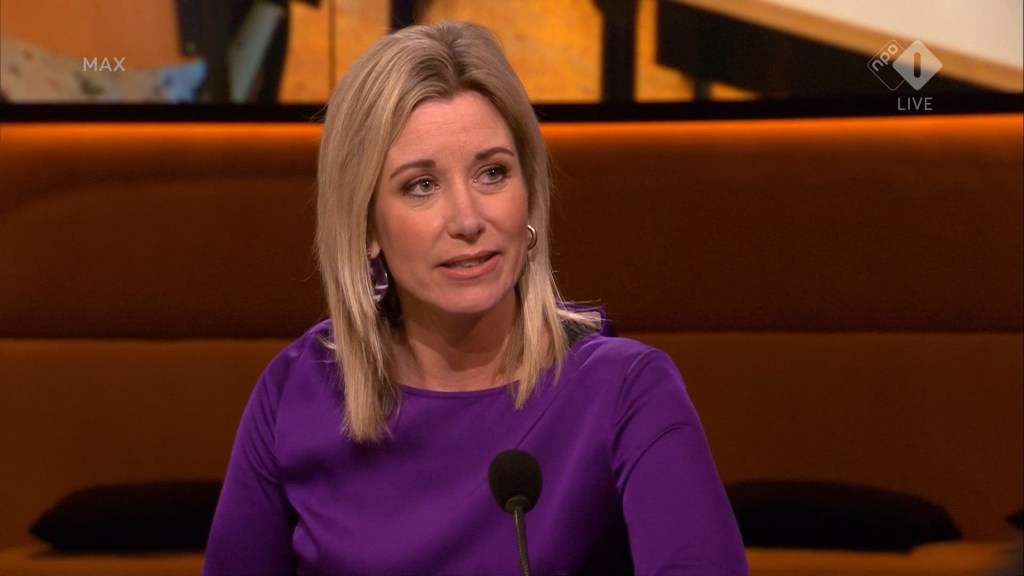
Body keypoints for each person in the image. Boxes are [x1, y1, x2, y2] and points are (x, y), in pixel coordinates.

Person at [203, 21, 748, 576]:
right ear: (366, 225)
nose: (467, 220)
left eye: (492, 173)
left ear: (528, 193)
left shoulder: (625, 393)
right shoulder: (298, 391)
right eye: (421, 185)